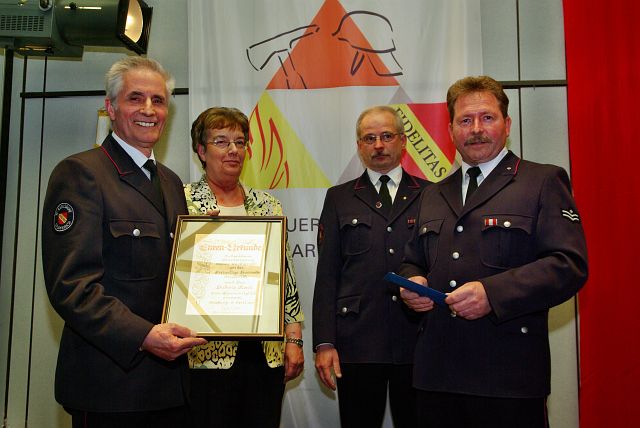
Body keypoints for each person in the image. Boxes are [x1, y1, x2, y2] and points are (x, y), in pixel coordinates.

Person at [398, 76, 588, 428]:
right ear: (451, 130)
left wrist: (492, 293)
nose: (476, 129)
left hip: (508, 377)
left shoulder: (541, 181)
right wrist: (412, 284)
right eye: (465, 120)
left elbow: (567, 265)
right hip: (436, 376)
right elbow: (413, 260)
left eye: (487, 117)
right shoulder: (432, 194)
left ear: (507, 124)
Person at [41, 57, 207, 427]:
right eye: (136, 98)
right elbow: (72, 287)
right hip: (110, 388)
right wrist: (144, 335)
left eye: (158, 100)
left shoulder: (170, 182)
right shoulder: (81, 173)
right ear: (111, 108)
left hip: (171, 387)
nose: (149, 109)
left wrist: (209, 247)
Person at [185, 106, 304, 428]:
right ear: (201, 150)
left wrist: (294, 338)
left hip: (265, 352)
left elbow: (286, 277)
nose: (233, 150)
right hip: (204, 354)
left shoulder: (268, 205)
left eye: (240, 142)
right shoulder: (183, 203)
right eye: (221, 141)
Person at [312, 105, 429, 427]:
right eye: (369, 138)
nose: (378, 145)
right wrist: (325, 342)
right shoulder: (339, 198)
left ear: (403, 141)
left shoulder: (431, 195)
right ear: (359, 146)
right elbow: (327, 276)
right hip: (358, 341)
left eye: (387, 136)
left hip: (417, 339)